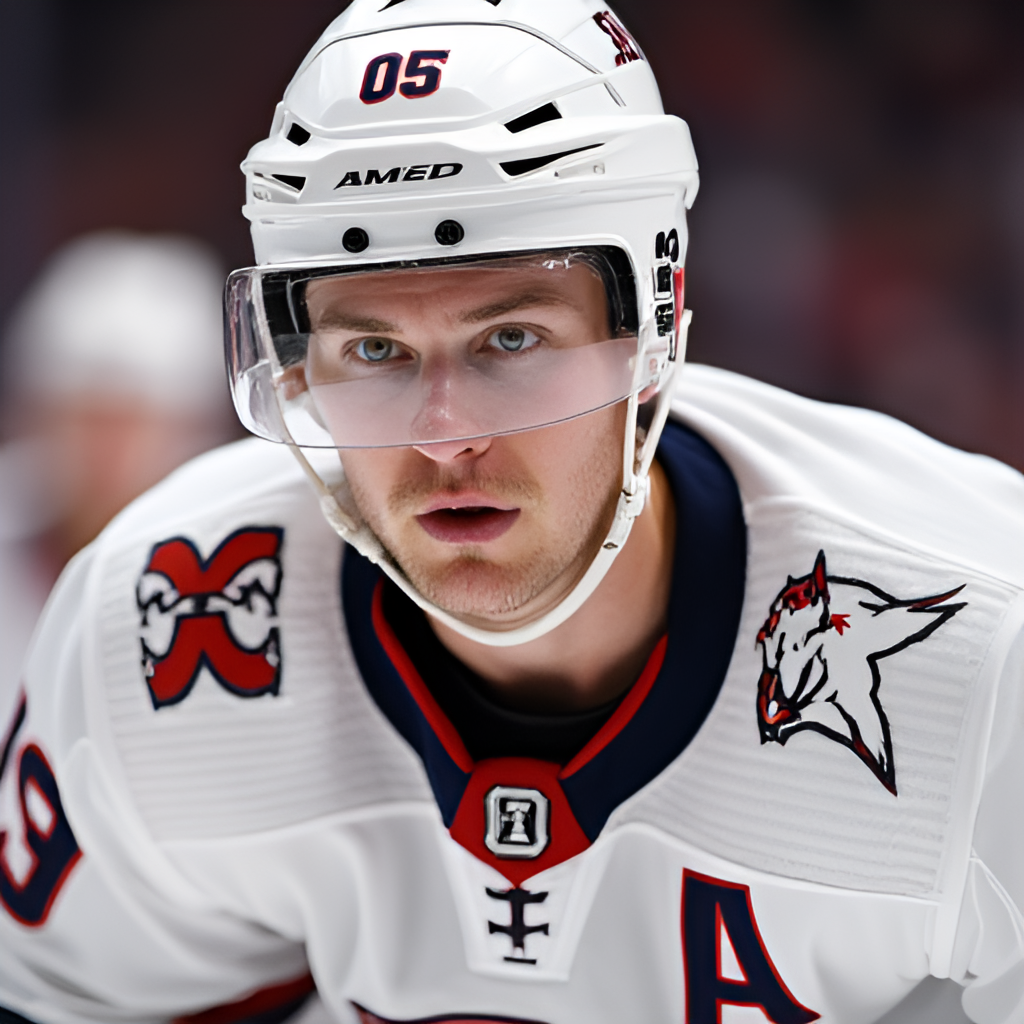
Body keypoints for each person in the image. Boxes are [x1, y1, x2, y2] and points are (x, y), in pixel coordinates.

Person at [1, 2, 1021, 1022]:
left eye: (511, 342)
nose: (444, 437)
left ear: (657, 319)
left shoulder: (987, 642)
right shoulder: (165, 621)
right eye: (374, 351)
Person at [0, 232, 230, 730]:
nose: (109, 449)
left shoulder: (237, 567)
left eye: (136, 421)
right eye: (86, 415)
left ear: (194, 430)